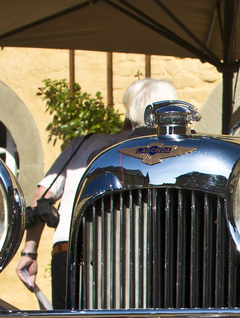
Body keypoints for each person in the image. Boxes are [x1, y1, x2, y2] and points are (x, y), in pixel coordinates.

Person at [17, 77, 177, 306]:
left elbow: (41, 199)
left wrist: (29, 253)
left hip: (72, 250)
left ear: (129, 108)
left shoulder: (85, 144)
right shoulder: (169, 152)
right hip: (142, 256)